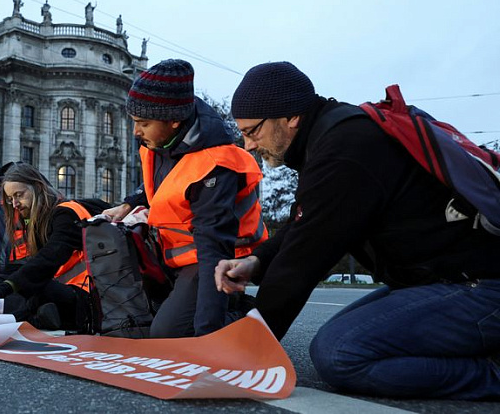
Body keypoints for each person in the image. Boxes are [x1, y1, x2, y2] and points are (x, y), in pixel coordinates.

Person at [214, 61, 500, 400]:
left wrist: (246, 352)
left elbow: (303, 260)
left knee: (339, 353)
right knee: (343, 337)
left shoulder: (342, 153)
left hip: (480, 287)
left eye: (252, 131)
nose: (248, 145)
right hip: (446, 281)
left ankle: (492, 374)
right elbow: (303, 221)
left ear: (290, 117)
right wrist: (257, 261)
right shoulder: (334, 136)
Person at [103, 59, 268, 338]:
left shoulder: (215, 164)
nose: (136, 132)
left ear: (174, 121)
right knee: (140, 322)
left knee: (168, 334)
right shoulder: (161, 141)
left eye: (143, 123)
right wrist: (130, 202)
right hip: (176, 257)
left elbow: (214, 250)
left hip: (219, 259)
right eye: (133, 122)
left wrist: (208, 336)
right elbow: (163, 185)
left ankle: (244, 313)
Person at [0, 163, 109, 331]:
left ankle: (28, 317)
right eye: (10, 199)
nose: (15, 204)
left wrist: (5, 287)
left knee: (31, 286)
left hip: (87, 296)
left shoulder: (66, 214)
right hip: (64, 288)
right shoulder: (39, 220)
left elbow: (48, 259)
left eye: (19, 195)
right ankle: (39, 315)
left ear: (37, 188)